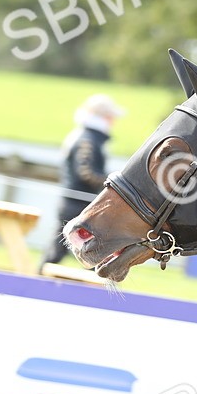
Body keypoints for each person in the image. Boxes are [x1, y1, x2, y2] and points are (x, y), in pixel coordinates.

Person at [39, 94, 125, 271]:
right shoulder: (88, 140)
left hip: (74, 202)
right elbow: (87, 174)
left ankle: (39, 276)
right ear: (104, 117)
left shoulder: (86, 136)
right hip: (78, 204)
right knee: (87, 252)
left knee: (66, 249)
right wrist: (114, 182)